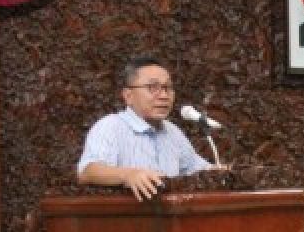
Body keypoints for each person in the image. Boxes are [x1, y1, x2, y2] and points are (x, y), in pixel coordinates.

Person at [77, 56, 212, 200]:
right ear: (128, 96)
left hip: (170, 217)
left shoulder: (173, 131)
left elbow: (197, 168)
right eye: (153, 87)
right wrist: (128, 175)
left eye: (168, 88)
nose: (164, 95)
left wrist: (223, 171)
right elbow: (87, 172)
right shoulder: (110, 126)